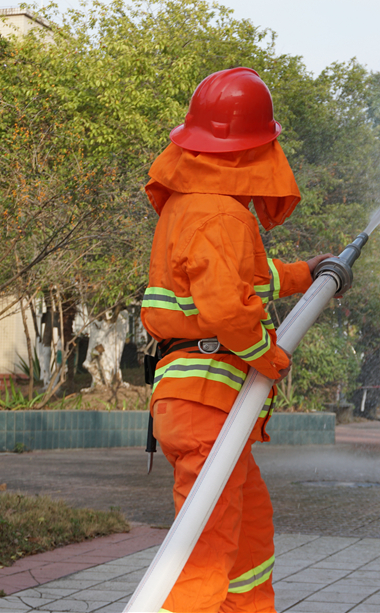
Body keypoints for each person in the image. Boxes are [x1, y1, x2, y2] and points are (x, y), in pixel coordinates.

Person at [140, 67, 330, 613]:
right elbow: (228, 307)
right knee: (204, 551)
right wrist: (271, 358)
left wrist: (306, 272)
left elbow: (244, 279)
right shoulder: (220, 214)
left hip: (201, 403)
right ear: (254, 152)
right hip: (205, 401)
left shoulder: (195, 206)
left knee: (247, 539)